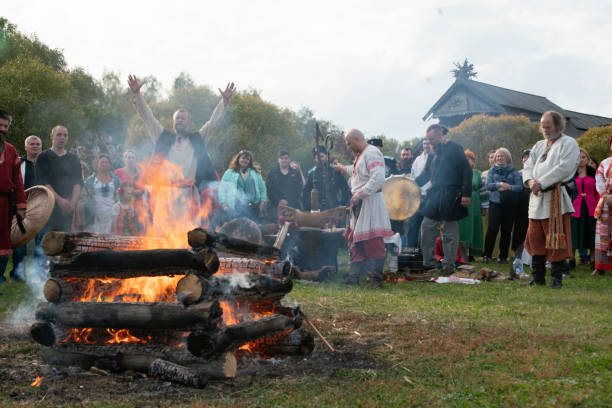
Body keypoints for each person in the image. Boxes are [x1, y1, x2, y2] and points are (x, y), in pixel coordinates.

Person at [128, 75, 235, 227]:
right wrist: (137, 95)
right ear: (173, 122)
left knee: (189, 237)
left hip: (189, 196)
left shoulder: (198, 138)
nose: (180, 120)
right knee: (162, 238)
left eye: (183, 118)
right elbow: (148, 118)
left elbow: (213, 123)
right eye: (177, 118)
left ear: (189, 122)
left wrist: (223, 102)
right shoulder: (162, 136)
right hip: (166, 194)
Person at [523, 110, 580, 288]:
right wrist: (531, 181)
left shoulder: (568, 143)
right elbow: (528, 165)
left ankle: (557, 278)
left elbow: (565, 168)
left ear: (558, 125)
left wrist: (542, 182)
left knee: (556, 238)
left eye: (548, 126)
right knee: (535, 238)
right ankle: (538, 276)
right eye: (543, 126)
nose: (545, 129)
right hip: (536, 199)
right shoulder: (539, 145)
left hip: (554, 198)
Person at [337, 129, 392, 288]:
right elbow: (357, 172)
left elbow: (378, 178)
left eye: (349, 143)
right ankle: (354, 276)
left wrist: (360, 194)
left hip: (370, 201)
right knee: (357, 240)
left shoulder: (372, 152)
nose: (348, 147)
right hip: (360, 203)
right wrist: (341, 167)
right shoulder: (361, 155)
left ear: (357, 138)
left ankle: (376, 279)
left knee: (372, 241)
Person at [419, 124, 472, 276]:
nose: (429, 142)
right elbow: (425, 175)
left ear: (441, 136)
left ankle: (449, 264)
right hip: (435, 194)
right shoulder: (432, 153)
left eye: (432, 139)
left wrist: (466, 194)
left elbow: (466, 170)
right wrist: (407, 182)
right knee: (427, 226)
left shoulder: (454, 147)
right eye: (428, 140)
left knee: (450, 231)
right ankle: (428, 263)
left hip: (452, 193)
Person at [35, 126, 83, 232]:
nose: (62, 138)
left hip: (67, 208)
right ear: (52, 136)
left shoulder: (73, 158)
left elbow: (78, 181)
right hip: (47, 208)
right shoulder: (43, 157)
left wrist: (73, 202)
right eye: (59, 134)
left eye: (65, 135)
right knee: (45, 244)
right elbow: (43, 181)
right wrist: (60, 200)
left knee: (65, 243)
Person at [10, 135, 43, 281]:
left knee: (41, 243)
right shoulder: (18, 164)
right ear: (26, 147)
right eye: (32, 144)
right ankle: (18, 274)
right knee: (20, 243)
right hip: (22, 208)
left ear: (41, 147)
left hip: (42, 209)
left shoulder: (45, 165)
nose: (35, 146)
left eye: (37, 144)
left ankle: (39, 273)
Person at [482, 148, 523, 264]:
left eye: (502, 156)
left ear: (507, 157)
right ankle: (487, 255)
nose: (499, 158)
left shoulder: (514, 172)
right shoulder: (491, 171)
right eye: (498, 156)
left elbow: (520, 187)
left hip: (509, 205)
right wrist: (499, 184)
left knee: (506, 230)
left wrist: (509, 187)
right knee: (492, 228)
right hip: (495, 203)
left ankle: (503, 256)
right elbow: (488, 186)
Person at [0, 110, 26, 285]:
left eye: (5, 126)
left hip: (3, 203)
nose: (2, 129)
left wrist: (20, 205)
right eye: (0, 125)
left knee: (3, 242)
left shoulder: (11, 150)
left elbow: (17, 180)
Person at [218, 150, 267, 222]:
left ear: (250, 162)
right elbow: (222, 190)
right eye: (243, 158)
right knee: (236, 230)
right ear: (238, 159)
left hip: (253, 207)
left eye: (247, 159)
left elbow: (263, 189)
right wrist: (224, 206)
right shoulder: (229, 173)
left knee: (252, 230)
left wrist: (261, 206)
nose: (245, 160)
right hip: (235, 208)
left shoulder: (255, 173)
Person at [570, 148, 598, 271]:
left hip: (591, 207)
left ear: (587, 159)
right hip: (575, 207)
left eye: (583, 157)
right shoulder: (570, 174)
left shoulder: (594, 173)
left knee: (591, 234)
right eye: (578, 157)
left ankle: (593, 261)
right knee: (574, 234)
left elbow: (598, 190)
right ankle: (571, 260)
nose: (581, 160)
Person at [302, 146, 351, 211]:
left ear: (327, 156)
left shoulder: (335, 171)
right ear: (315, 159)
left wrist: (342, 205)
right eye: (317, 157)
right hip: (318, 211)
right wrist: (309, 208)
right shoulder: (312, 174)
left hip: (334, 210)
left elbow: (346, 191)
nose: (320, 159)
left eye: (321, 156)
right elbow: (305, 193)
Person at [458, 149, 486, 260]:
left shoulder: (478, 173)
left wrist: (484, 206)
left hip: (475, 203)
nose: (466, 161)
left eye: (469, 159)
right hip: (462, 203)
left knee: (475, 227)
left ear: (473, 162)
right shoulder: (457, 173)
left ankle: (471, 253)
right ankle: (462, 252)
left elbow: (483, 190)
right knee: (463, 228)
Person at [83, 155, 121, 234]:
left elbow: (121, 193)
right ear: (97, 164)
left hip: (112, 213)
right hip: (95, 214)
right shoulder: (90, 180)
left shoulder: (116, 179)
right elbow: (84, 194)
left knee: (111, 238)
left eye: (106, 162)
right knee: (97, 238)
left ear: (110, 165)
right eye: (102, 162)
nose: (104, 164)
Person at [406, 139, 433, 248]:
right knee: (413, 225)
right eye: (424, 144)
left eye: (428, 144)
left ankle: (425, 253)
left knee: (428, 227)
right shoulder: (417, 159)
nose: (426, 146)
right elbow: (413, 176)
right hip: (417, 196)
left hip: (430, 196)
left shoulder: (435, 158)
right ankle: (411, 250)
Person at [593, 137, 612, 276]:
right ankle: (600, 267)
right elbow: (599, 179)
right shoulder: (604, 163)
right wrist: (605, 196)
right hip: (606, 202)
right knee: (602, 235)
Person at [266, 150, 303, 220]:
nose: (284, 160)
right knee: (277, 228)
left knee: (293, 228)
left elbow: (298, 189)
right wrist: (279, 201)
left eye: (286, 158)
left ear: (289, 159)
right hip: (275, 206)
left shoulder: (296, 173)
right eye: (282, 158)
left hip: (293, 206)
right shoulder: (272, 173)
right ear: (278, 160)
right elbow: (269, 190)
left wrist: (288, 200)